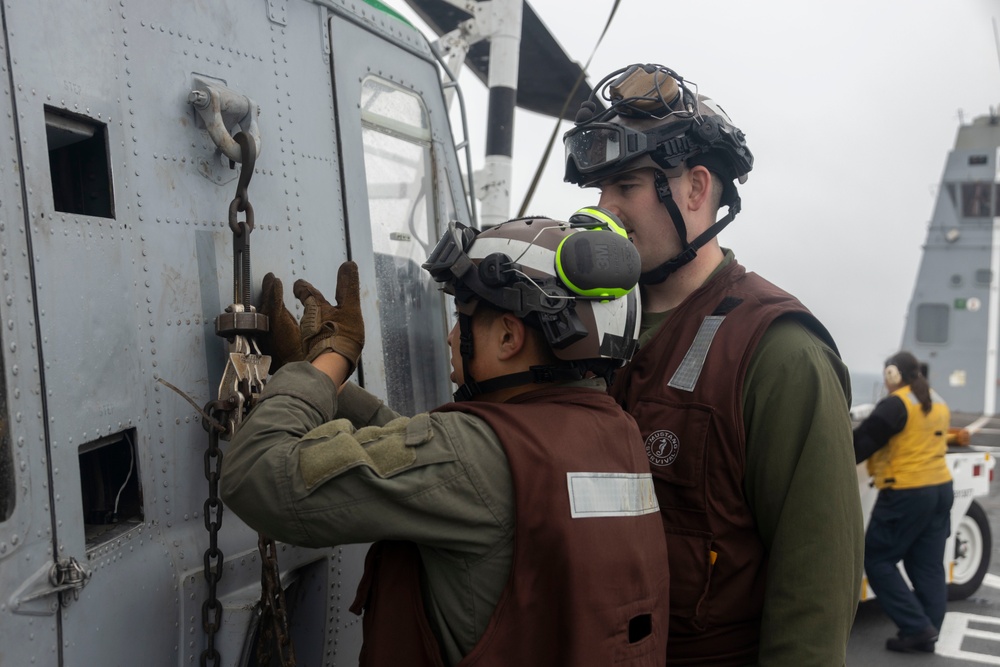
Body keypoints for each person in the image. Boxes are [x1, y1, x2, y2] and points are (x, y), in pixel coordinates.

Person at [219, 214, 671, 666]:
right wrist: (326, 383)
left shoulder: (473, 453)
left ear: (509, 336)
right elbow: (438, 472)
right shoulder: (615, 434)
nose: (451, 337)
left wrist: (333, 359)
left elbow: (257, 475)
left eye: (464, 318)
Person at [563, 63, 865, 665]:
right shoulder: (580, 328)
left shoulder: (778, 351)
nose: (605, 211)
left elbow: (814, 593)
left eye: (625, 186)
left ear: (696, 190)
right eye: (599, 192)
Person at [854, 351, 954, 653]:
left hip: (906, 493)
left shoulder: (896, 404)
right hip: (940, 489)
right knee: (927, 565)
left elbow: (861, 444)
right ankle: (929, 630)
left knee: (877, 558)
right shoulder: (936, 400)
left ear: (892, 375)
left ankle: (916, 627)